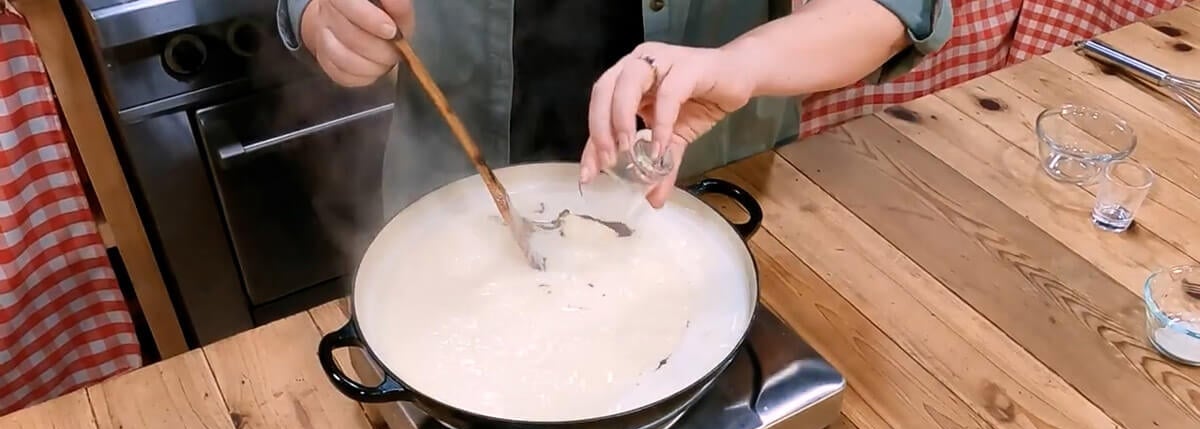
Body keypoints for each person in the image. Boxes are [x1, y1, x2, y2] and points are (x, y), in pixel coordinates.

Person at [276, 0, 951, 217]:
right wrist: (315, 12)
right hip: (451, 204)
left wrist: (738, 65)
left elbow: (894, 8)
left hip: (708, 198)